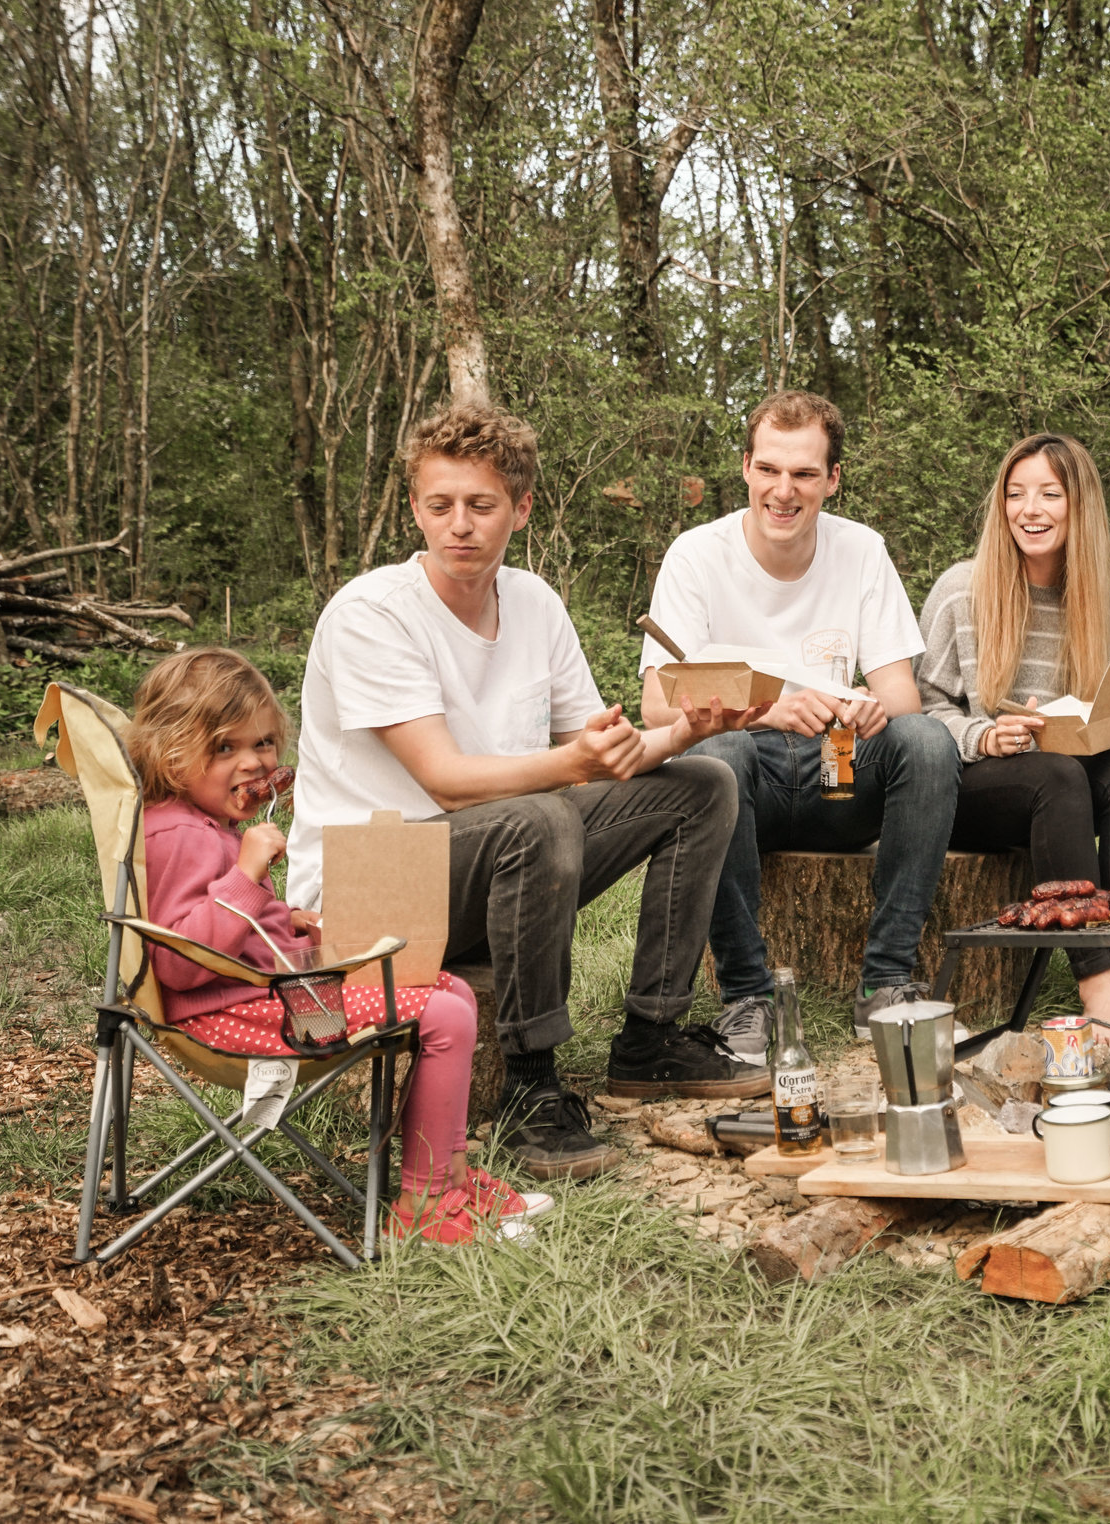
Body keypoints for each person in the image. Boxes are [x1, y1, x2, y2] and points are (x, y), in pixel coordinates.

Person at [289, 401, 767, 1185]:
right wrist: (575, 766)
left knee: (704, 785)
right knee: (539, 817)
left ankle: (651, 1039)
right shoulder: (371, 614)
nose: (460, 526)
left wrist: (689, 729)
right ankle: (530, 1082)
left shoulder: (535, 603)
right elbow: (445, 778)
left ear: (522, 508)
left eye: (482, 506)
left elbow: (601, 753)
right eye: (439, 506)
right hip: (365, 894)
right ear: (415, 508)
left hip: (484, 869)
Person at [130, 647, 542, 1245]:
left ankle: (449, 1174)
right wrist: (247, 877)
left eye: (264, 743)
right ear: (170, 754)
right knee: (443, 1009)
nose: (253, 762)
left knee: (446, 987)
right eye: (225, 748)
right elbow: (178, 960)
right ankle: (425, 1203)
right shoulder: (177, 833)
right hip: (226, 1017)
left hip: (259, 997)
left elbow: (227, 924)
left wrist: (292, 923)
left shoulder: (203, 827)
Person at [639, 390, 961, 1055]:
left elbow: (903, 695)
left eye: (805, 474)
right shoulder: (697, 555)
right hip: (740, 781)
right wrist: (770, 710)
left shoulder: (862, 550)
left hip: (837, 772)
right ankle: (746, 996)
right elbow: (657, 706)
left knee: (927, 742)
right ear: (747, 468)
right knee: (718, 751)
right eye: (771, 470)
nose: (784, 491)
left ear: (832, 480)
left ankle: (886, 982)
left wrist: (862, 706)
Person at [916, 432, 1110, 1036]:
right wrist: (983, 736)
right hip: (976, 783)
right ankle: (1094, 980)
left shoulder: (1104, 606)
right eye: (1016, 494)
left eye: (1049, 494)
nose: (1030, 509)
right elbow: (920, 709)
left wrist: (1109, 727)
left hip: (1060, 775)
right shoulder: (961, 591)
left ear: (1078, 506)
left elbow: (1090, 714)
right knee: (1055, 777)